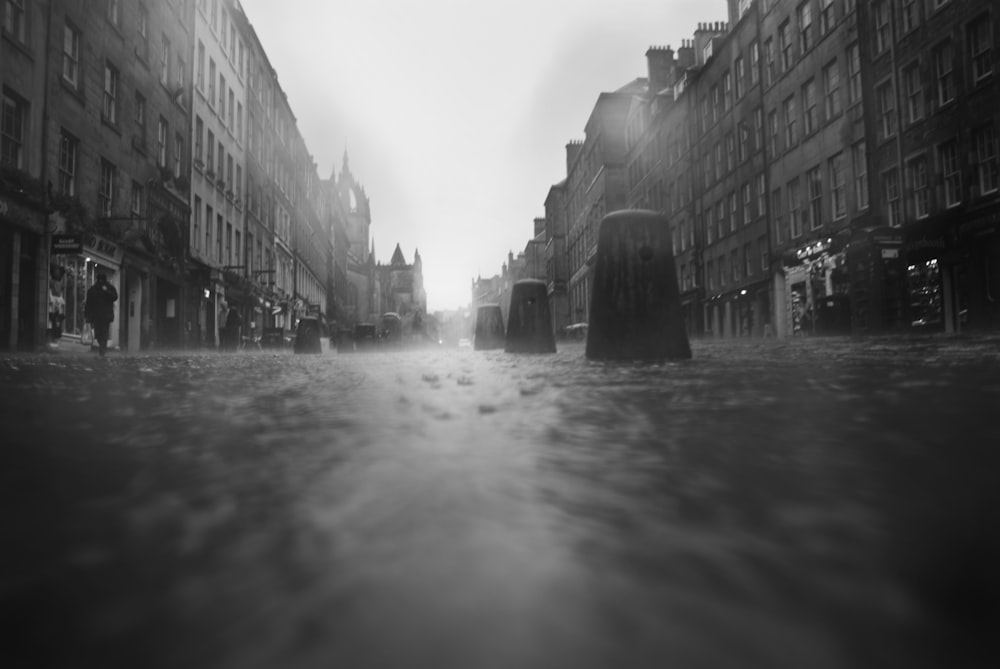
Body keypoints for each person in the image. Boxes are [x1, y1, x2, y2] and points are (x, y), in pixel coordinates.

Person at [84, 271, 118, 356]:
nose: (101, 281)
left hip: (106, 316)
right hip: (96, 315)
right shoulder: (93, 289)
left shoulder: (109, 287)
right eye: (100, 279)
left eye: (102, 279)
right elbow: (88, 303)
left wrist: (106, 291)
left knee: (104, 332)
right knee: (98, 333)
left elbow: (114, 297)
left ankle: (102, 350)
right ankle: (102, 346)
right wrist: (87, 315)